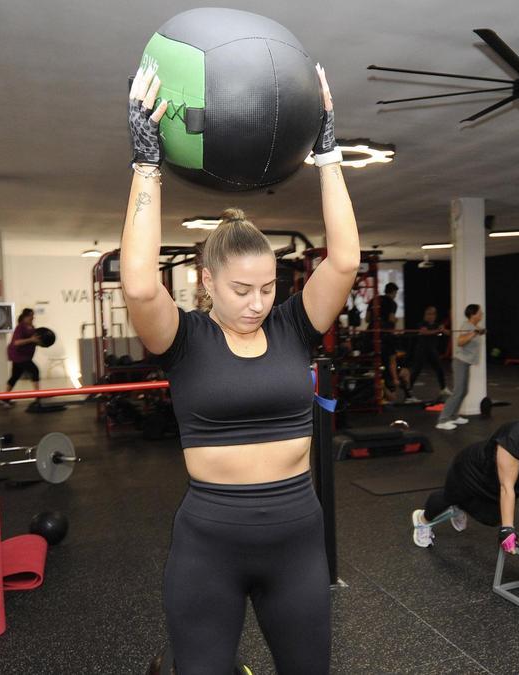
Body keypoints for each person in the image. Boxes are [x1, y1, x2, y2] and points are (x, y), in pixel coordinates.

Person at [122, 61, 357, 673]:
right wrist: (146, 164)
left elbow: (344, 261)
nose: (257, 304)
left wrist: (328, 154)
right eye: (241, 289)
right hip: (209, 546)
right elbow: (141, 287)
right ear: (207, 282)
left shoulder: (293, 327)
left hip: (297, 542)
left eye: (268, 288)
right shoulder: (185, 340)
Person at [411, 419, 519, 550]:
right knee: (448, 498)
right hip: (471, 471)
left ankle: (460, 505)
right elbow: (507, 488)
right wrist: (507, 530)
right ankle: (422, 520)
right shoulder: (515, 438)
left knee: (491, 518)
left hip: (494, 481)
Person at [436, 304, 484, 430]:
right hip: (460, 362)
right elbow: (460, 342)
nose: (481, 314)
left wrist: (479, 331)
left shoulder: (473, 327)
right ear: (473, 314)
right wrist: (474, 333)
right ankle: (442, 420)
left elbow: (474, 333)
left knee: (463, 391)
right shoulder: (467, 326)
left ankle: (453, 416)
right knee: (458, 392)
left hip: (465, 363)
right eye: (479, 312)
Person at [406, 305, 449, 400]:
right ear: (425, 315)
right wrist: (438, 330)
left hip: (432, 350)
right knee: (416, 370)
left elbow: (447, 332)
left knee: (439, 369)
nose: (430, 316)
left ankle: (443, 388)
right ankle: (408, 393)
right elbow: (424, 332)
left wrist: (443, 329)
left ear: (435, 315)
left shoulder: (437, 325)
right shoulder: (422, 324)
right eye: (428, 314)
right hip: (421, 350)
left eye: (432, 314)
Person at [2, 307, 42, 406]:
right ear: (25, 317)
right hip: (19, 356)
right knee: (35, 371)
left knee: (15, 376)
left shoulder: (32, 327)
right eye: (31, 315)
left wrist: (38, 341)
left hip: (24, 356)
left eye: (33, 315)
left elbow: (34, 340)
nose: (33, 317)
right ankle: (38, 397)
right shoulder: (20, 327)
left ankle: (4, 399)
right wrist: (31, 340)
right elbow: (17, 342)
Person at [373, 282, 402, 401]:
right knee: (391, 359)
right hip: (386, 336)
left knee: (377, 362)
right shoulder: (392, 303)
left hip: (373, 336)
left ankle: (384, 391)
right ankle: (394, 381)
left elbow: (368, 318)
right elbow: (391, 319)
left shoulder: (374, 300)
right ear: (394, 292)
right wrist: (395, 320)